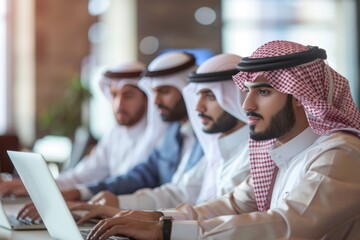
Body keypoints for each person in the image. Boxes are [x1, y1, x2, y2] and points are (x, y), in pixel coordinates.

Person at [84, 40, 360, 240]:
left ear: (301, 97)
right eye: (247, 91)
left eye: (263, 92)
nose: (247, 104)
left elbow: (287, 224)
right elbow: (235, 204)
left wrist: (167, 231)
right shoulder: (277, 150)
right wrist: (159, 218)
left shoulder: (339, 153)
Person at [69, 53, 250, 219]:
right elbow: (180, 193)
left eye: (210, 96)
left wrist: (153, 223)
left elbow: (221, 216)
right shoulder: (209, 143)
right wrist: (120, 205)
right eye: (198, 96)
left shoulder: (253, 154)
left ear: (236, 98)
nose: (197, 107)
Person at [0, 61, 167, 196]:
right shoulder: (115, 135)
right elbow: (80, 176)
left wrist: (80, 193)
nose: (118, 104)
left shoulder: (161, 137)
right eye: (114, 95)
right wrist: (28, 184)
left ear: (147, 99)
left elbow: (132, 185)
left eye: (128, 96)